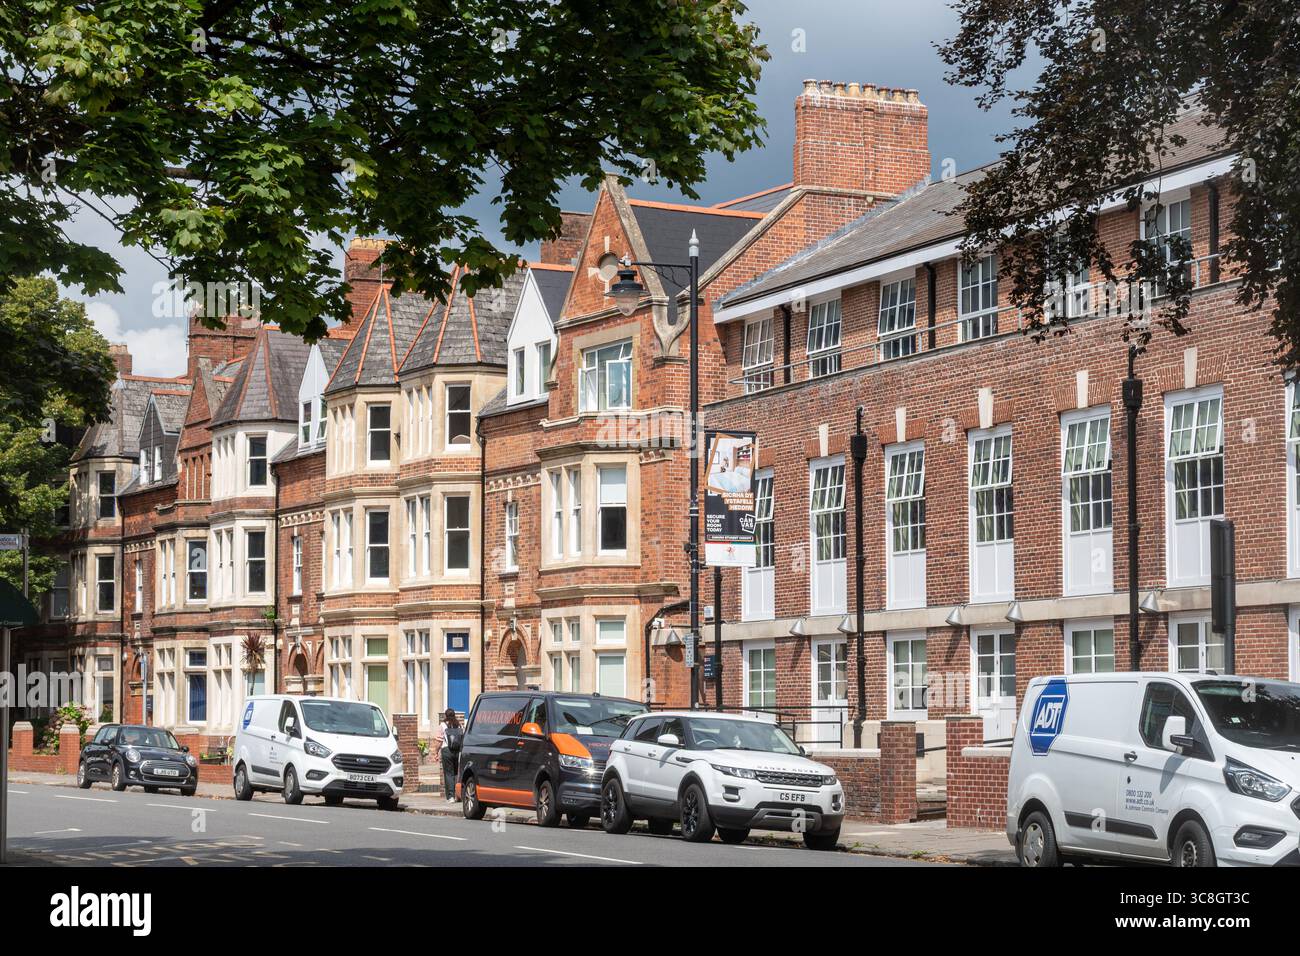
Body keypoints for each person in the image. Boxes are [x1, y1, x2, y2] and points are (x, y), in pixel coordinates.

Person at [435, 708, 463, 801]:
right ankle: (458, 796)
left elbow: (439, 741)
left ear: (445, 716)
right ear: (454, 715)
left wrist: (436, 752)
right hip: (457, 751)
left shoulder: (442, 725)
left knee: (448, 774)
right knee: (456, 773)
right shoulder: (459, 725)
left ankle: (450, 796)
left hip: (447, 750)